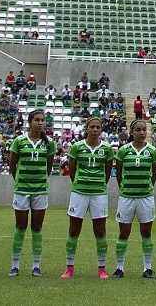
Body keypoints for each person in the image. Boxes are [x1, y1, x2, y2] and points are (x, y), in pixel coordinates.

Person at [61, 115, 112, 279]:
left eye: (98, 127)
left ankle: (102, 268)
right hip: (79, 192)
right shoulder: (77, 147)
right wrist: (80, 184)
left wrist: (98, 184)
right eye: (92, 127)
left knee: (100, 230)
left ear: (101, 129)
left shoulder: (107, 148)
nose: (95, 130)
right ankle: (69, 267)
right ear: (87, 129)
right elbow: (72, 170)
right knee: (74, 229)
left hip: (99, 194)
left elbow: (107, 172)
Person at [8, 109, 57, 277]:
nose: (40, 123)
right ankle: (15, 265)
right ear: (30, 122)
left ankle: (36, 265)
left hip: (40, 190)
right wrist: (21, 181)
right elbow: (12, 165)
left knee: (37, 227)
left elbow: (49, 167)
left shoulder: (49, 143)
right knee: (20, 227)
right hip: (22, 190)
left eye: (42, 120)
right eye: (37, 120)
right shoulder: (19, 141)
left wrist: (39, 180)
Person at [112, 118, 156, 278]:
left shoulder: (152, 151)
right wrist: (125, 188)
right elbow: (118, 174)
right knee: (123, 232)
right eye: (138, 130)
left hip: (145, 197)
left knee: (146, 232)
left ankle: (147, 268)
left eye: (144, 130)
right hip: (127, 197)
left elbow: (154, 174)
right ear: (132, 132)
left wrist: (146, 188)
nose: (141, 133)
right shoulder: (123, 150)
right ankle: (119, 268)